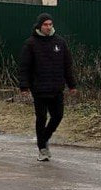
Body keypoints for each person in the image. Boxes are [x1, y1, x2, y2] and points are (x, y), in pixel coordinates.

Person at [18, 12, 77, 161]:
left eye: (50, 24)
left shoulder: (60, 42)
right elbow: (24, 67)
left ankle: (43, 139)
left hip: (56, 87)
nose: (48, 27)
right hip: (39, 88)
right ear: (39, 26)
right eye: (45, 25)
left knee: (58, 116)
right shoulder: (31, 43)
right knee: (41, 118)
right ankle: (42, 149)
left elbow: (67, 65)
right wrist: (24, 86)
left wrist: (72, 85)